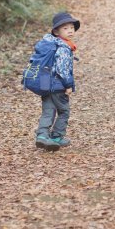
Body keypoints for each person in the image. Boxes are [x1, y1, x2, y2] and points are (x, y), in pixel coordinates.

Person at [34, 12, 80, 151]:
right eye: (65, 28)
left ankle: (42, 136)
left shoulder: (48, 43)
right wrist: (68, 84)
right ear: (56, 31)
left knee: (48, 111)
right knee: (64, 111)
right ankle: (56, 137)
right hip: (58, 85)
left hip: (45, 82)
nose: (70, 30)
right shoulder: (63, 47)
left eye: (71, 27)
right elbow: (62, 68)